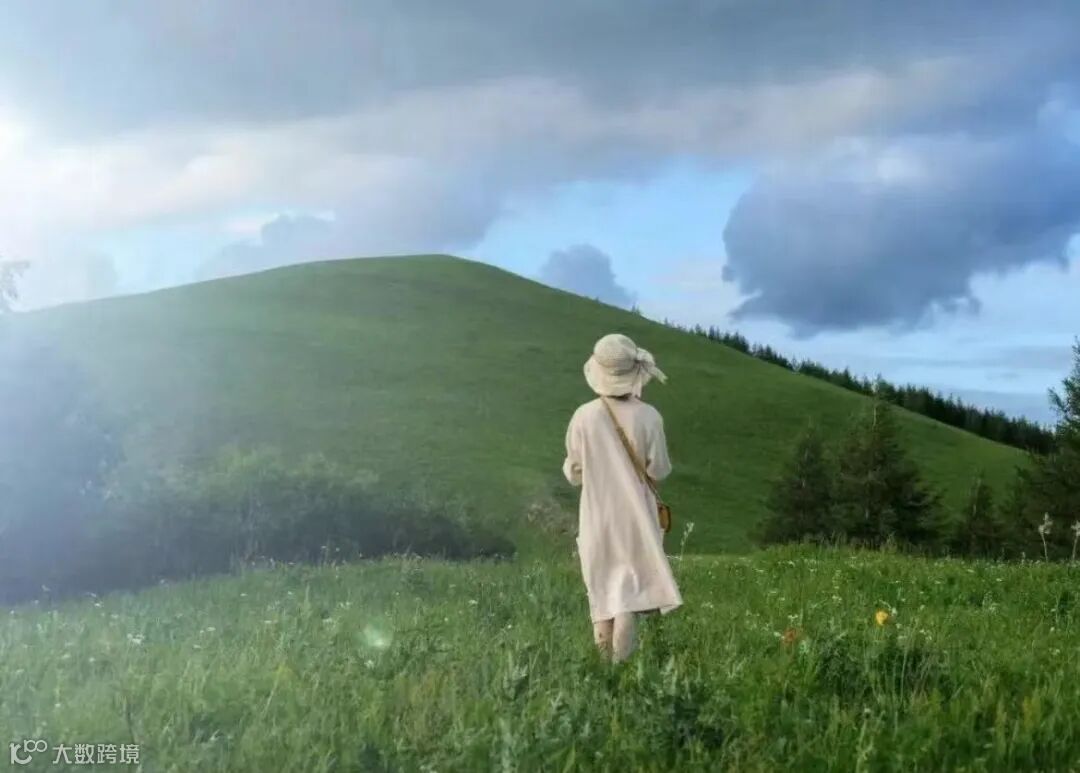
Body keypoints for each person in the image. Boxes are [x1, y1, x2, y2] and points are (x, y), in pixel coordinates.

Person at [562, 333, 683, 662]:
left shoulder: (583, 416)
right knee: (628, 594)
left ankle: (603, 670)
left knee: (601, 590)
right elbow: (659, 469)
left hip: (597, 515)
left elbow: (573, 473)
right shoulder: (650, 416)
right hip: (636, 517)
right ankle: (622, 668)